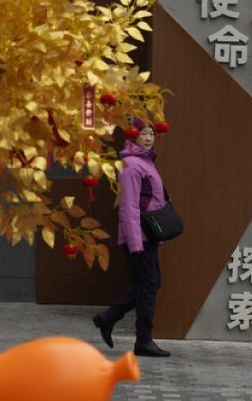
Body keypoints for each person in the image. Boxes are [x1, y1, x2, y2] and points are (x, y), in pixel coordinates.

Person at [92, 119, 171, 358]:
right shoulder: (131, 165)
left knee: (149, 284)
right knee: (148, 287)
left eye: (151, 134)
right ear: (133, 136)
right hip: (139, 238)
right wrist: (136, 243)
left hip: (148, 236)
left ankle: (108, 318)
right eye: (144, 134)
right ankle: (143, 340)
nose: (148, 138)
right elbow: (128, 207)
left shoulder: (145, 162)